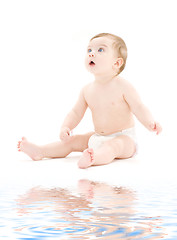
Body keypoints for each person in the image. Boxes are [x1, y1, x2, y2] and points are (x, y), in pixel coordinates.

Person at [17, 33, 162, 168]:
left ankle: (94, 158)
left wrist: (150, 122)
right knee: (72, 142)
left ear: (117, 63)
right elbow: (75, 113)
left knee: (113, 147)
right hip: (97, 136)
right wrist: (66, 127)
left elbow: (139, 107)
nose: (92, 53)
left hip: (124, 139)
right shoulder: (87, 90)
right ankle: (40, 151)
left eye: (100, 50)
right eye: (89, 50)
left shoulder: (123, 86)